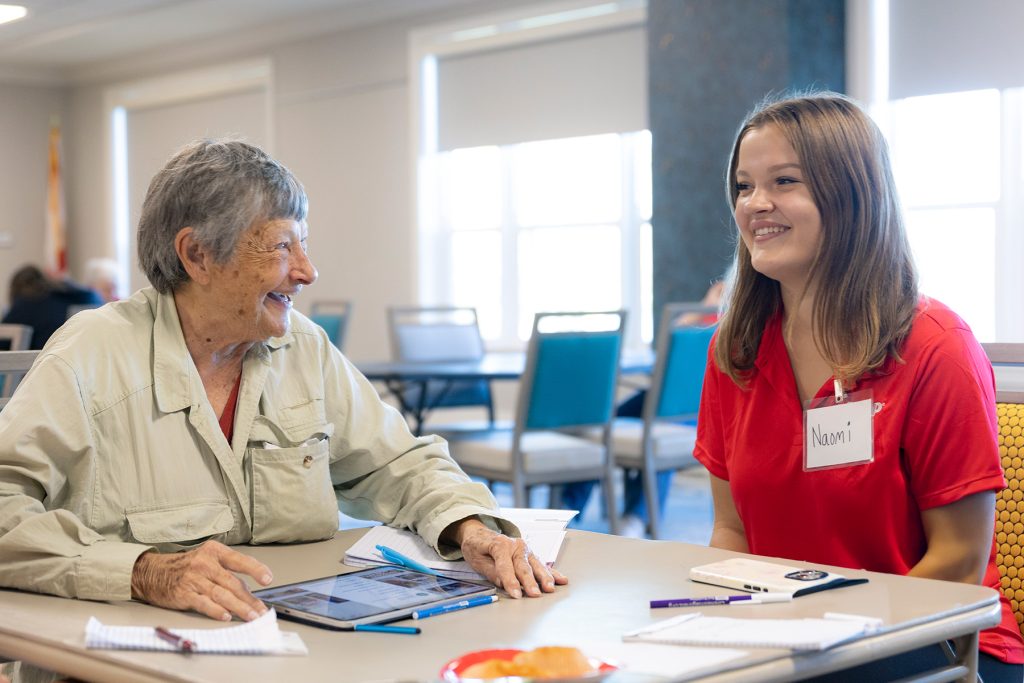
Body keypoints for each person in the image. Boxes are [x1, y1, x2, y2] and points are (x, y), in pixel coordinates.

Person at [0, 140, 564, 633]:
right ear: (197, 255)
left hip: (290, 642)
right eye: (281, 246)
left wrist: (468, 527)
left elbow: (400, 464)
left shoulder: (304, 348)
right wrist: (142, 569)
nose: (307, 270)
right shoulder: (91, 354)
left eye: (304, 244)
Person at [695, 92, 1024, 680]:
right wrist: (720, 623)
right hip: (793, 641)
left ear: (852, 194)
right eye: (744, 186)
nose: (756, 205)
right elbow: (733, 530)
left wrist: (829, 637)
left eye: (784, 181)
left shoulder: (934, 346)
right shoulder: (735, 350)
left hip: (936, 642)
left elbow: (958, 561)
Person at [561, 278, 725, 538]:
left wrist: (706, 307)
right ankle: (625, 514)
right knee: (603, 419)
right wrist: (707, 306)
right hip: (679, 407)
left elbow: (669, 343)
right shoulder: (706, 328)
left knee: (649, 427)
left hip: (690, 413)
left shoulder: (722, 326)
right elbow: (669, 347)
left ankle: (628, 514)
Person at [0, 265, 103, 349]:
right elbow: (96, 298)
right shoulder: (66, 297)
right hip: (72, 363)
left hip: (35, 367)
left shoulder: (23, 304)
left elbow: (3, 342)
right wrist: (66, 281)